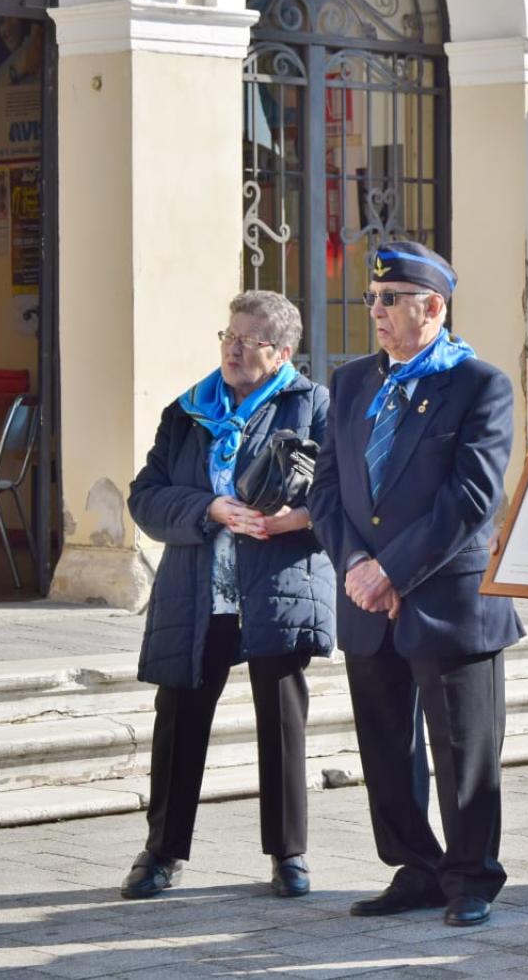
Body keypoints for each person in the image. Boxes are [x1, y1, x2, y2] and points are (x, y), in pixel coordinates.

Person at [307, 241, 523, 928]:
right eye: (372, 298)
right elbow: (327, 490)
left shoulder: (479, 385)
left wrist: (391, 570)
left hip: (447, 598)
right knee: (386, 747)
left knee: (462, 748)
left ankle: (470, 878)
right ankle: (416, 866)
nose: (375, 310)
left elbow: (471, 497)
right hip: (366, 596)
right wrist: (354, 568)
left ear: (432, 307)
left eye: (390, 299)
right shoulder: (350, 383)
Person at [124, 290, 335, 900]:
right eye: (229, 336)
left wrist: (292, 520)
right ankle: (162, 852)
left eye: (252, 340)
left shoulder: (313, 404)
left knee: (281, 720)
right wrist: (209, 508)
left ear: (284, 352)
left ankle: (288, 854)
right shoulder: (187, 410)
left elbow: (342, 490)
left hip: (277, 585)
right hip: (198, 592)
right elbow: (145, 497)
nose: (234, 350)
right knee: (180, 721)